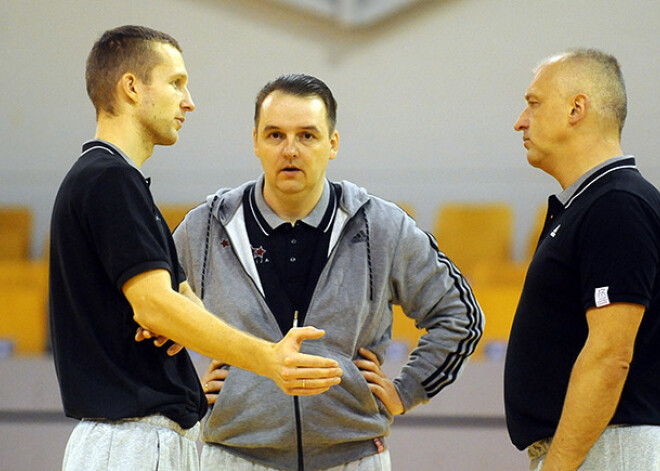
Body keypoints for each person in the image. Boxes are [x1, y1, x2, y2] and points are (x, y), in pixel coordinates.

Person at [49, 27, 342, 471]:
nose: (189, 101)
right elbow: (156, 306)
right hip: (130, 443)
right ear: (131, 87)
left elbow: (178, 303)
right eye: (176, 83)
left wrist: (177, 317)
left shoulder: (120, 182)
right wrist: (267, 357)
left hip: (145, 439)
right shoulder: (109, 180)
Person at [173, 73, 484, 471]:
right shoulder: (206, 228)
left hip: (353, 456)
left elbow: (461, 315)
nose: (290, 150)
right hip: (234, 456)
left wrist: (407, 390)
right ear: (255, 142)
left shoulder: (380, 226)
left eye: (307, 136)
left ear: (332, 144)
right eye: (275, 136)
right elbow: (147, 314)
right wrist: (187, 391)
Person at [504, 49, 660, 470]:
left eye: (534, 103)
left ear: (577, 108)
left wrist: (558, 465)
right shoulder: (593, 204)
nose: (520, 120)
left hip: (608, 448)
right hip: (591, 448)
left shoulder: (617, 204)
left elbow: (610, 356)